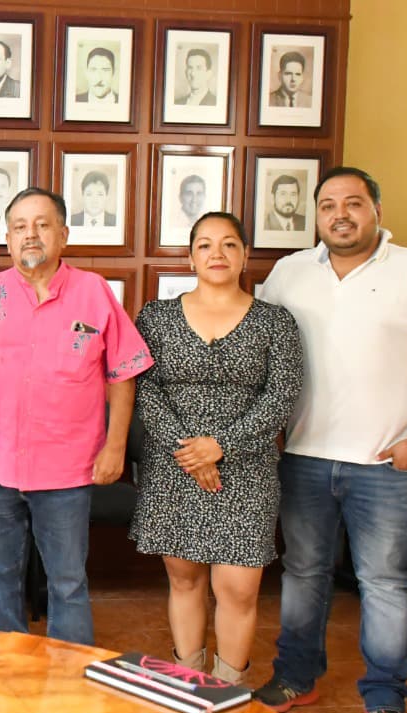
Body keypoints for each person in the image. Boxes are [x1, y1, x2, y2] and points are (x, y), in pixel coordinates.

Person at [254, 167, 407, 713]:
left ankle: (385, 698)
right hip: (304, 456)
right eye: (328, 205)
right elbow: (261, 354)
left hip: (387, 466)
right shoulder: (289, 272)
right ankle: (296, 677)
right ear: (317, 215)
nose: (340, 215)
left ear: (377, 209)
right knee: (303, 574)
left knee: (386, 584)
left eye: (353, 203)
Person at [0, 187, 152, 646]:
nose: (31, 234)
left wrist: (116, 447)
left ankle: (69, 676)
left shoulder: (93, 292)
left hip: (67, 471)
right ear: (7, 239)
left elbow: (123, 373)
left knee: (67, 583)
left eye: (42, 225)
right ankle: (8, 668)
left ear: (63, 235)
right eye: (20, 226)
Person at [131, 211, 303, 685]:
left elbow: (281, 396)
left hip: (246, 468)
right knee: (184, 579)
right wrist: (190, 453)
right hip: (175, 465)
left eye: (229, 244)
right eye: (205, 245)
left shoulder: (275, 322)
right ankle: (189, 682)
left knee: (239, 588)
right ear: (190, 258)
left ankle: (227, 689)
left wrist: (222, 446)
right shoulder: (156, 317)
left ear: (245, 255)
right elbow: (145, 389)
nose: (217, 254)